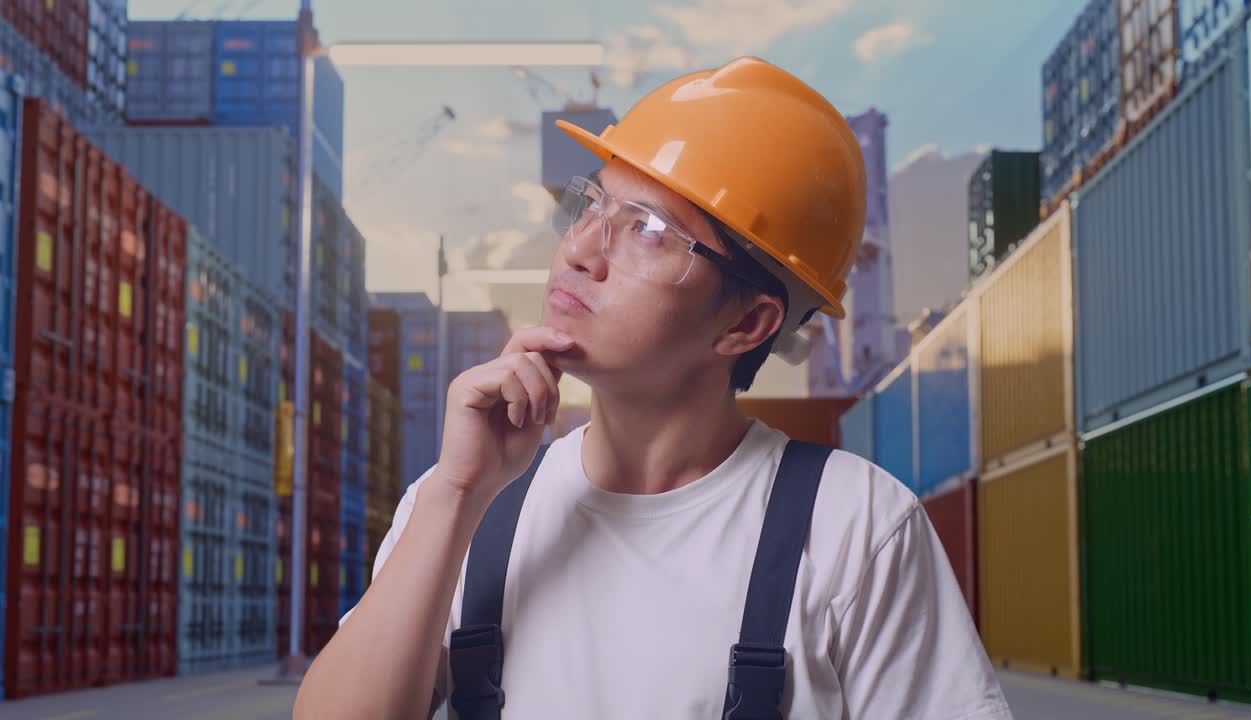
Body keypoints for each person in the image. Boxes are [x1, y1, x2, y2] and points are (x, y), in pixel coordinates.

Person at [294, 56, 1013, 720]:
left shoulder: (856, 528)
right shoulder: (459, 504)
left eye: (646, 230)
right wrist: (456, 495)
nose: (578, 251)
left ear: (748, 323)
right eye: (592, 205)